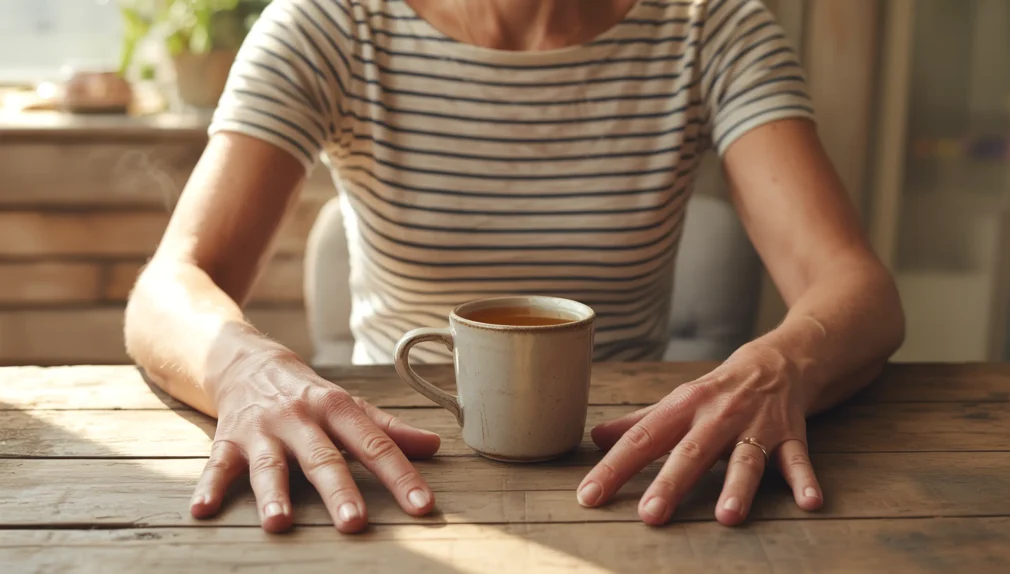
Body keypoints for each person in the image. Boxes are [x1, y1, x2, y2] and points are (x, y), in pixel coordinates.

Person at [124, 0, 905, 534]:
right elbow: (170, 284)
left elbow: (856, 288)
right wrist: (246, 369)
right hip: (386, 478)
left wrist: (779, 364)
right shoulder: (331, 22)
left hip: (634, 477)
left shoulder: (712, 24)